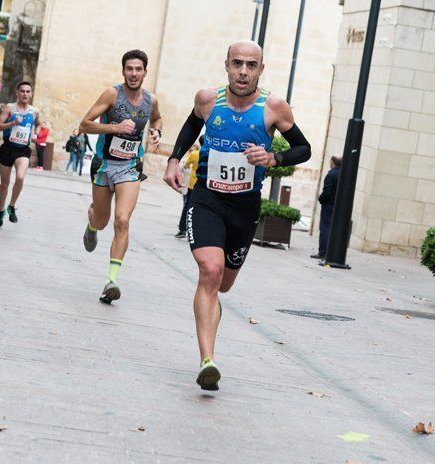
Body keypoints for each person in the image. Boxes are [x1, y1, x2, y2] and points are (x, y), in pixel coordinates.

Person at [164, 41, 311, 391]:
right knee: (209, 271)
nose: (243, 71)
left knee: (223, 285)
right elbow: (190, 127)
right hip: (207, 200)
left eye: (251, 65)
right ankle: (207, 360)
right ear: (226, 66)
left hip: (244, 208)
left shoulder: (273, 107)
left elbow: (303, 148)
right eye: (237, 64)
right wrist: (173, 159)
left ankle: (209, 327)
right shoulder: (207, 100)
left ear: (261, 69)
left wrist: (273, 159)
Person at [80, 49, 162, 304]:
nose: (134, 74)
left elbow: (157, 119)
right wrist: (115, 127)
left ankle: (111, 281)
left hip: (129, 167)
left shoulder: (151, 100)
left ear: (145, 72)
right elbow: (84, 124)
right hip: (104, 165)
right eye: (129, 69)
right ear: (123, 71)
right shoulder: (112, 94)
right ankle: (92, 222)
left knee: (123, 220)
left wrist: (157, 132)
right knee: (103, 221)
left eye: (138, 69)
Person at [0, 82, 40, 227]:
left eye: (28, 91)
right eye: (22, 91)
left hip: (23, 149)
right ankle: (1, 211)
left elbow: (38, 124)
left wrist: (35, 134)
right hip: (8, 147)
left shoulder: (34, 111)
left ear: (31, 94)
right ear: (17, 93)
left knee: (20, 177)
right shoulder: (10, 108)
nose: (25, 94)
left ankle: (11, 206)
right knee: (4, 184)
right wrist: (13, 123)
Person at [311, 156, 341, 261]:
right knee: (335, 229)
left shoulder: (331, 174)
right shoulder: (344, 174)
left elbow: (327, 192)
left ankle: (323, 252)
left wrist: (321, 199)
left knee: (325, 228)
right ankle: (333, 252)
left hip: (328, 205)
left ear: (332, 163)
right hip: (340, 207)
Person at [176, 136, 203, 238]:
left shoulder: (195, 154)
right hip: (204, 185)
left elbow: (187, 165)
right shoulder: (210, 153)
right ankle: (196, 232)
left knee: (187, 206)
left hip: (193, 184)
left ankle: (183, 230)